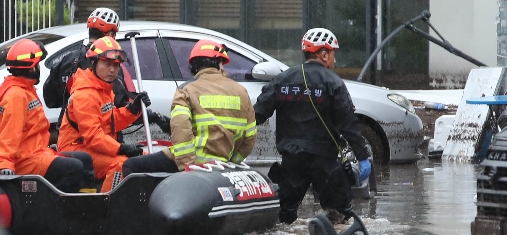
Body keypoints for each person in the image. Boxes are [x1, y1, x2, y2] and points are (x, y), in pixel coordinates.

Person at [253, 28, 374, 224]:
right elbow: (348, 124)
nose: (334, 60)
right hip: (325, 163)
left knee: (283, 218)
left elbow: (256, 114)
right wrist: (362, 157)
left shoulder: (284, 79)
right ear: (324, 54)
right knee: (341, 217)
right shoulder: (333, 82)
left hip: (292, 161)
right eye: (333, 54)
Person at [122, 38, 256, 176]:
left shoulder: (186, 90)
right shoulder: (241, 92)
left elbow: (181, 130)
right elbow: (250, 137)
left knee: (130, 165)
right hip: (223, 162)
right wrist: (231, 162)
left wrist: (188, 166)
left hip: (192, 162)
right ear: (219, 63)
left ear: (194, 65)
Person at [43, 8, 170, 138]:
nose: (112, 68)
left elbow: (50, 100)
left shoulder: (67, 59)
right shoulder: (107, 65)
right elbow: (120, 106)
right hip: (98, 138)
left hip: (66, 134)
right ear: (110, 35)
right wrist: (150, 115)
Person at [0, 38, 95, 192]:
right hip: (26, 160)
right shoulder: (16, 96)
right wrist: (5, 164)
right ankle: (58, 209)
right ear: (32, 68)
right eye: (38, 64)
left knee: (84, 159)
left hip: (37, 153)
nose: (39, 67)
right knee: (74, 167)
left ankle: (87, 206)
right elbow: (8, 134)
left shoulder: (24, 90)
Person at [58, 37, 150, 192]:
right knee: (121, 165)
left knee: (145, 158)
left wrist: (133, 110)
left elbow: (109, 121)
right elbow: (93, 136)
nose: (112, 70)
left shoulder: (103, 88)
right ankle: (107, 205)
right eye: (107, 64)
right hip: (76, 148)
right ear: (93, 63)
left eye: (116, 65)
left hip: (93, 146)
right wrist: (121, 148)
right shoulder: (85, 94)